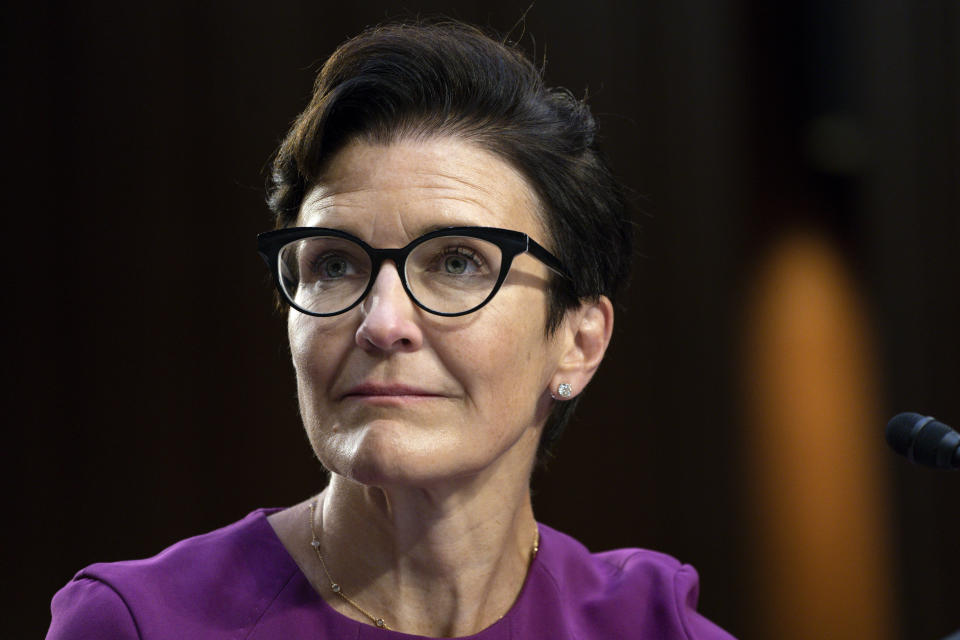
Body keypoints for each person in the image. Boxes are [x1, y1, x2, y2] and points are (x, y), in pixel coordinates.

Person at [47, 20, 736, 639]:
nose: (381, 324)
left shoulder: (650, 624)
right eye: (336, 264)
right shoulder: (142, 624)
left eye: (458, 262)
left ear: (580, 342)